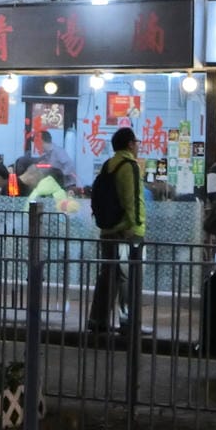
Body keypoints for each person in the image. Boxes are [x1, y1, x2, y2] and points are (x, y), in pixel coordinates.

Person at [87, 127, 149, 334]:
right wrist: (135, 226)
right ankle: (129, 322)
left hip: (107, 230)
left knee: (108, 275)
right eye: (136, 142)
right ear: (130, 144)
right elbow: (133, 200)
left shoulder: (109, 165)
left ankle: (98, 319)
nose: (138, 146)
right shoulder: (130, 166)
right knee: (130, 277)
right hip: (127, 231)